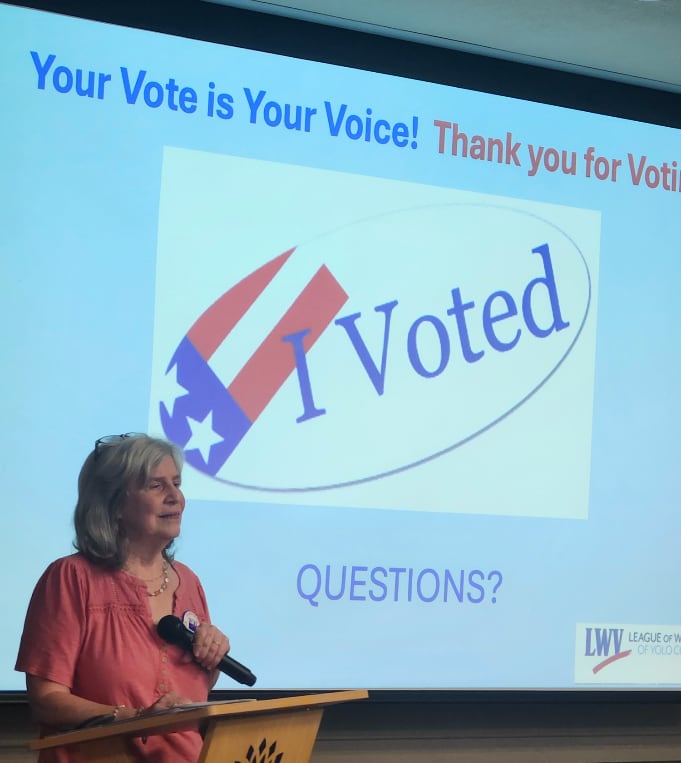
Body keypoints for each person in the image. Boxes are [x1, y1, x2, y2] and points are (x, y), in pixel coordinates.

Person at [15, 432, 231, 762]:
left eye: (177, 483)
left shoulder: (188, 582)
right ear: (114, 504)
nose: (176, 497)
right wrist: (137, 721)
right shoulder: (72, 578)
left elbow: (188, 694)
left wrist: (211, 655)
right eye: (157, 486)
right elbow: (47, 699)